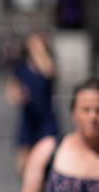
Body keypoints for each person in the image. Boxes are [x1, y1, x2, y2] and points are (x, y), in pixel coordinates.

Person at [5, 31, 59, 173]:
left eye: (38, 44)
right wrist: (17, 96)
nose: (36, 47)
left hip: (46, 120)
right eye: (33, 44)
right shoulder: (21, 68)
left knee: (47, 163)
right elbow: (11, 90)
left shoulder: (48, 62)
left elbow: (50, 72)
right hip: (28, 120)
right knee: (22, 165)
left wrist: (40, 53)